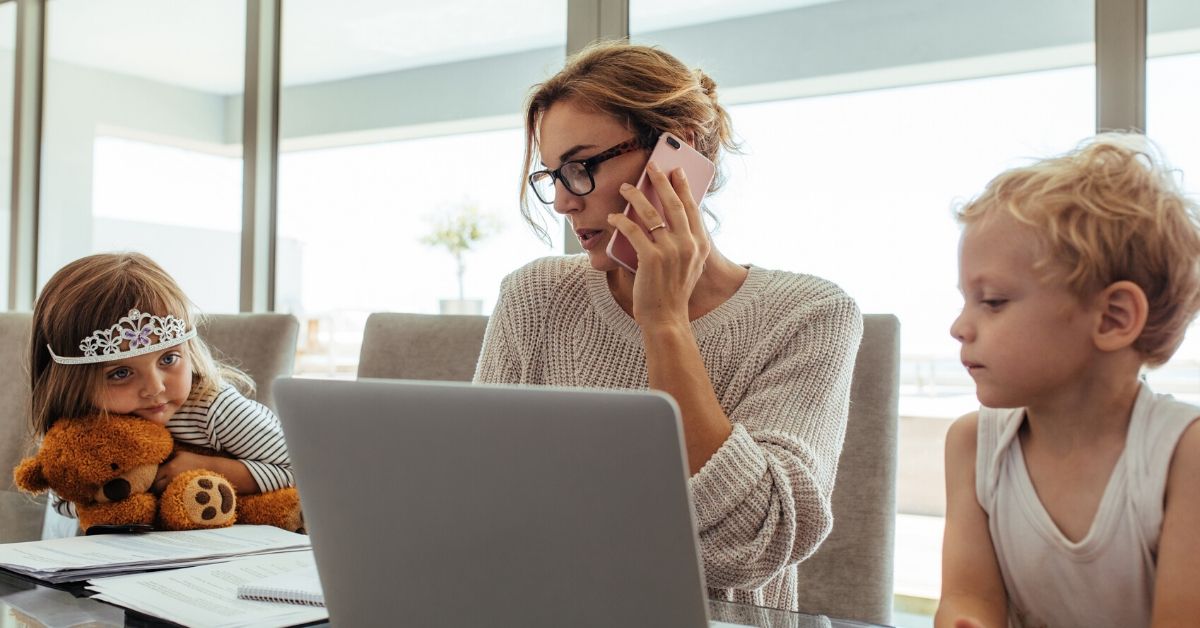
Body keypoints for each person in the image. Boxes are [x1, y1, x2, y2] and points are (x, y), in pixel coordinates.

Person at [475, 41, 863, 611]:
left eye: (580, 168)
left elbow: (747, 547)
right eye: (552, 175)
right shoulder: (536, 296)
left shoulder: (809, 315)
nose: (562, 202)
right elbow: (481, 499)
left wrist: (665, 323)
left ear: (678, 150)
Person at [937, 134, 1200, 627]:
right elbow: (968, 595)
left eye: (992, 301)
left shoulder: (1184, 457)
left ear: (1113, 318)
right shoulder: (973, 444)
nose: (959, 327)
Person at [28, 252, 296, 523]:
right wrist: (111, 502)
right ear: (71, 383)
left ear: (189, 350)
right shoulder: (82, 428)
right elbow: (62, 499)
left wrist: (210, 467)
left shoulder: (214, 408)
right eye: (120, 373)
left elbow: (303, 470)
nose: (155, 388)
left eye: (168, 359)